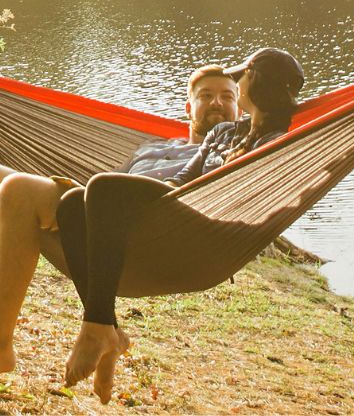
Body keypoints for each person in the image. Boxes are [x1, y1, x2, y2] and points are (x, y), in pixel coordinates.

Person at [0, 64, 242, 386]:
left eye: (227, 97)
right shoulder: (150, 147)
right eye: (206, 95)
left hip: (155, 239)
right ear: (187, 108)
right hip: (97, 218)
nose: (216, 102)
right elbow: (112, 185)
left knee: (18, 190)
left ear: (240, 111)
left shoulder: (228, 150)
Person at [55, 46, 305, 401]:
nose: (238, 85)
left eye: (243, 77)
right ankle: (105, 328)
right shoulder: (224, 133)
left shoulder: (275, 143)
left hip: (206, 229)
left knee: (102, 187)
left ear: (256, 85)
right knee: (71, 205)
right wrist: (150, 196)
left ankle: (96, 329)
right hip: (179, 206)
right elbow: (186, 177)